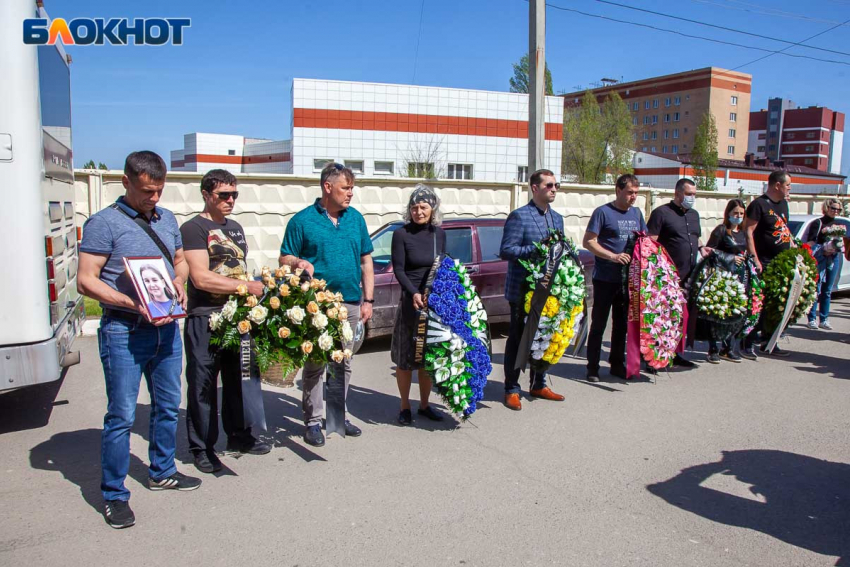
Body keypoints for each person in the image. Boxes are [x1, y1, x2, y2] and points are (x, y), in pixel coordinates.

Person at [77, 151, 201, 529]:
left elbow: (179, 261)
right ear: (126, 182)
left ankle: (161, 470)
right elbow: (87, 279)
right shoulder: (103, 224)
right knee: (121, 416)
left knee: (167, 405)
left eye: (159, 190)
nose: (154, 198)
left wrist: (179, 283)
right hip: (124, 331)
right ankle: (114, 494)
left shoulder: (167, 219)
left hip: (166, 328)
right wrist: (133, 303)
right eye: (147, 191)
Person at [180, 169, 271, 475]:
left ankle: (239, 435)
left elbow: (239, 269)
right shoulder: (193, 228)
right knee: (203, 385)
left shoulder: (235, 227)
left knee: (237, 381)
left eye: (234, 194)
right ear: (207, 195)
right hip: (205, 317)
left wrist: (254, 290)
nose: (231, 200)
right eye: (224, 195)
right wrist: (247, 287)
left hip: (237, 318)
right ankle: (202, 447)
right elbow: (201, 277)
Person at [279, 163, 374, 447]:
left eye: (352, 188)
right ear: (327, 187)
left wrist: (368, 299)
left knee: (343, 362)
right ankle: (312, 421)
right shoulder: (302, 221)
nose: (350, 194)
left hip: (351, 302)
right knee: (317, 362)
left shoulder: (355, 219)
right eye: (346, 188)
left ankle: (335, 415)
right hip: (317, 305)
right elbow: (284, 258)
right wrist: (297, 262)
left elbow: (366, 261)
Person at [499, 169, 567, 411]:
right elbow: (507, 250)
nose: (554, 189)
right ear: (534, 188)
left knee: (545, 339)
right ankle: (511, 388)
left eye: (555, 185)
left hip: (551, 292)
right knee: (518, 340)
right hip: (523, 292)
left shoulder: (557, 218)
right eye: (549, 185)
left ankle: (538, 383)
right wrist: (535, 250)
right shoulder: (520, 216)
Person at [583, 174, 648, 382]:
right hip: (605, 278)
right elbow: (589, 242)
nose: (633, 197)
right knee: (599, 323)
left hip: (627, 281)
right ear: (618, 190)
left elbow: (644, 242)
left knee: (621, 324)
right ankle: (592, 367)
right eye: (630, 192)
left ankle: (617, 364)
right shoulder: (603, 212)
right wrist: (613, 256)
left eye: (636, 193)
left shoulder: (637, 214)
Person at [390, 185, 447, 425]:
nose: (418, 212)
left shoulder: (439, 234)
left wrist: (438, 295)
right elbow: (399, 269)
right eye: (414, 207)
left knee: (427, 358)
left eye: (423, 207)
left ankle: (424, 405)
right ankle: (405, 406)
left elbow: (443, 267)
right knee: (405, 360)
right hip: (410, 305)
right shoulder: (401, 234)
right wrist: (413, 293)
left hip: (432, 304)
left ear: (432, 209)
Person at [646, 177, 709, 369]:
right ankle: (653, 357)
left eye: (694, 194)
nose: (692, 197)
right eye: (688, 194)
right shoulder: (661, 213)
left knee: (680, 318)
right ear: (677, 193)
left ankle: (674, 353)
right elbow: (650, 244)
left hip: (688, 276)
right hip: (666, 277)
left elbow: (694, 237)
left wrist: (702, 248)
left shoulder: (694, 215)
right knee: (661, 318)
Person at [743, 170, 795, 357]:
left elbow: (784, 231)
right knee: (758, 303)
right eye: (788, 185)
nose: (790, 188)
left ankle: (768, 341)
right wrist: (755, 258)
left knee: (775, 304)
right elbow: (748, 232)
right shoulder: (759, 205)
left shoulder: (783, 205)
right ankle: (746, 342)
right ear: (777, 185)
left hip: (780, 263)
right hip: (763, 262)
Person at [704, 199, 748, 363]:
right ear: (728, 213)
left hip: (739, 277)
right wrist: (730, 258)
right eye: (735, 213)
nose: (738, 216)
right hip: (722, 278)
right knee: (717, 315)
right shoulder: (721, 230)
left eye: (741, 214)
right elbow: (710, 251)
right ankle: (713, 349)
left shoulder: (743, 233)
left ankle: (728, 348)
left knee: (736, 313)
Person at [804, 198, 844, 331]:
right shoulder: (818, 222)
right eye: (833, 208)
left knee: (827, 290)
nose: (835, 211)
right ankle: (811, 319)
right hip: (820, 256)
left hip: (833, 257)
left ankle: (824, 318)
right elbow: (812, 240)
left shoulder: (838, 225)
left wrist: (835, 247)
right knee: (816, 288)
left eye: (838, 209)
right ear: (826, 208)